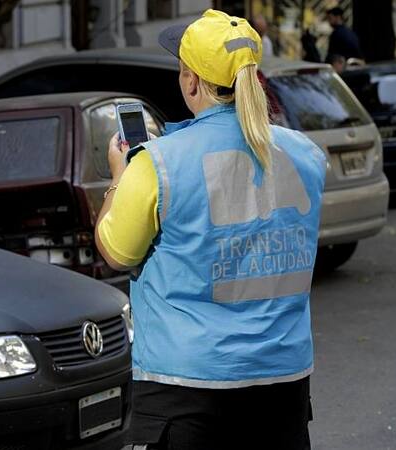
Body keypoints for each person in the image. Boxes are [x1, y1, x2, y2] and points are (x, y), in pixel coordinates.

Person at [94, 9, 327, 450]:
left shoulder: (158, 162)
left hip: (185, 388)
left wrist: (119, 176)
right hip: (282, 381)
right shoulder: (307, 155)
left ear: (191, 82)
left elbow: (115, 252)